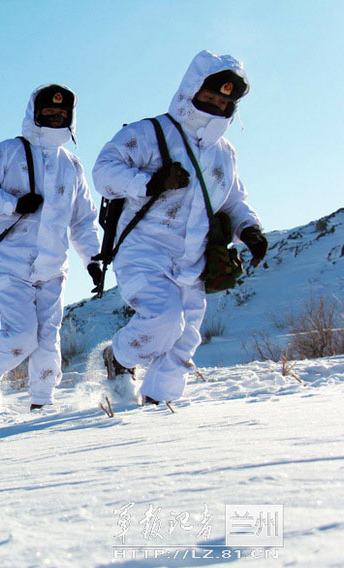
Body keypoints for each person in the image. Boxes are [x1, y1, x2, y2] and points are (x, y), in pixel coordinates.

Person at [92, 50, 267, 405]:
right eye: (210, 96)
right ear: (191, 90)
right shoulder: (149, 132)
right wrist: (151, 182)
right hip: (144, 249)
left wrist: (249, 230)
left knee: (187, 338)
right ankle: (119, 358)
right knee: (164, 319)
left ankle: (160, 405)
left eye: (224, 100)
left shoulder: (224, 152)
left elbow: (233, 200)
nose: (216, 104)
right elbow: (103, 172)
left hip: (194, 258)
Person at [0, 84, 101, 410]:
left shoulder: (72, 165)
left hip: (54, 266)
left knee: (47, 340)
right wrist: (13, 203)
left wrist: (93, 260)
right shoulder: (9, 151)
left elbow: (83, 219)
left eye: (62, 114)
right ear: (35, 114)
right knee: (21, 336)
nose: (55, 118)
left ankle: (42, 402)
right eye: (48, 113)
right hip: (11, 262)